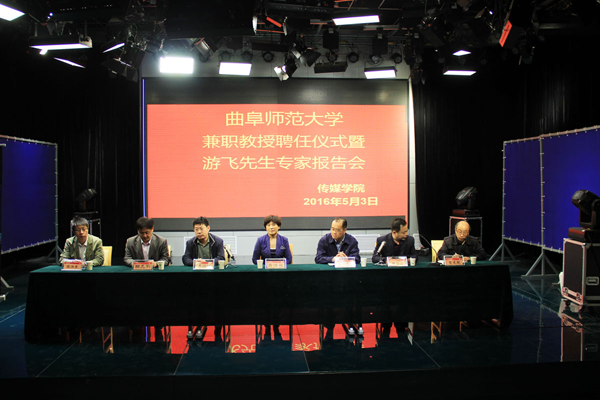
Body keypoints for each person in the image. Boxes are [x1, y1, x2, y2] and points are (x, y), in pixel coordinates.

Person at [315, 217, 362, 336]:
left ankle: (350, 322)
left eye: (337, 230)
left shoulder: (352, 241)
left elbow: (357, 258)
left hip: (347, 279)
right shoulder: (324, 240)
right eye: (332, 229)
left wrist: (347, 258)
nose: (334, 232)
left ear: (344, 230)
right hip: (329, 280)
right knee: (327, 295)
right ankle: (329, 324)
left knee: (353, 294)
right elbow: (318, 258)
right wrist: (333, 259)